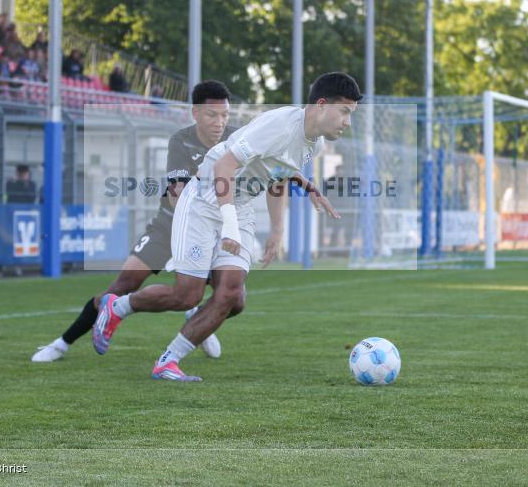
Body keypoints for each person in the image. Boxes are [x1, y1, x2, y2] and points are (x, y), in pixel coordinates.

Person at [92, 72, 360, 381]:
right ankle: (119, 307)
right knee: (187, 296)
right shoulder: (280, 125)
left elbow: (277, 178)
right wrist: (230, 225)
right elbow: (223, 166)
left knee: (233, 296)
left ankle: (168, 361)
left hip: (239, 205)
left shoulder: (313, 144)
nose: (347, 122)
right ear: (322, 105)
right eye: (345, 112)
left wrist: (277, 230)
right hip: (205, 200)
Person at [31, 80, 234, 363]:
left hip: (209, 235)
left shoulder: (236, 140)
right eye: (212, 115)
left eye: (225, 115)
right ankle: (61, 343)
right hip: (168, 228)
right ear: (195, 114)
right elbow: (176, 193)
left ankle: (196, 320)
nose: (220, 122)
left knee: (232, 298)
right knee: (121, 285)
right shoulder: (181, 141)